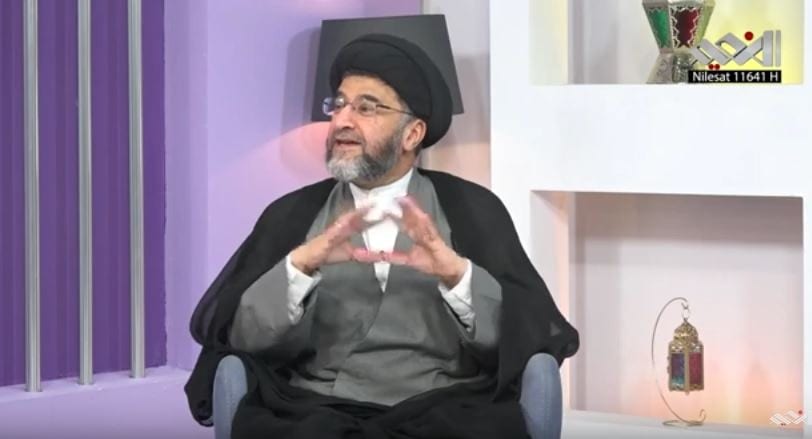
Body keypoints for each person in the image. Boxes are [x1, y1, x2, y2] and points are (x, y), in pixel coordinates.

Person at [185, 33, 578, 439]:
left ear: (412, 134)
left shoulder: (473, 210)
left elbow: (520, 340)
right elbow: (244, 339)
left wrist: (457, 275)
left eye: (366, 107)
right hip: (318, 407)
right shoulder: (292, 214)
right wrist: (301, 265)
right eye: (339, 105)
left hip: (442, 405)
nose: (342, 121)